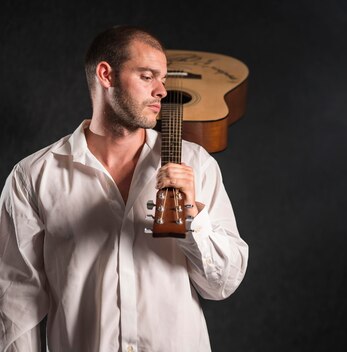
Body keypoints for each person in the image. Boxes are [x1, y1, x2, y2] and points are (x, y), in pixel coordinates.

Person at [0, 25, 248, 351]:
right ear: (106, 75)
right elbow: (16, 304)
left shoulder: (195, 163)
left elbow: (222, 285)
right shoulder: (32, 176)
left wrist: (191, 217)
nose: (161, 91)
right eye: (147, 77)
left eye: (164, 79)